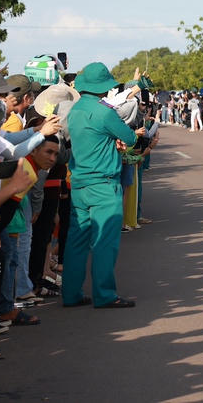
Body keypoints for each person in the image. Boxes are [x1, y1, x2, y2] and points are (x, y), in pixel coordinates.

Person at [61, 62, 140, 309]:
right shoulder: (104, 112)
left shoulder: (74, 111)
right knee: (104, 241)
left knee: (76, 242)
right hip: (104, 184)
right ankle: (105, 294)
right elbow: (130, 138)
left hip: (79, 183)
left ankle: (71, 294)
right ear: (104, 87)